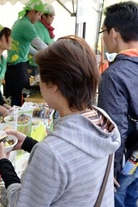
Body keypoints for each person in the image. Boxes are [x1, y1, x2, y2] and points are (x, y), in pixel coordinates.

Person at [0, 35, 121, 206]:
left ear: (53, 85)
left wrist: (3, 163)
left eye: (40, 78)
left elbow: (22, 203)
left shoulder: (50, 152)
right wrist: (29, 143)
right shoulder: (103, 121)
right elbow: (72, 160)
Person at [97, 1, 138, 206]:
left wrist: (108, 170)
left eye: (102, 31)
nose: (103, 37)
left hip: (124, 162)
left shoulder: (114, 75)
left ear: (114, 33)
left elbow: (114, 129)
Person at [4, 0, 48, 107]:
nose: (39, 18)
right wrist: (55, 53)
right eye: (39, 15)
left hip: (12, 68)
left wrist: (38, 55)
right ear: (32, 12)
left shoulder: (18, 22)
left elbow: (25, 47)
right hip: (18, 70)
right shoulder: (27, 25)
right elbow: (39, 44)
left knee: (13, 101)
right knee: (20, 102)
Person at [28, 3, 56, 76]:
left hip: (42, 62)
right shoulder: (38, 27)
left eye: (53, 16)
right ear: (43, 16)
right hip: (35, 63)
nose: (53, 18)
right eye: (51, 16)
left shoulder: (46, 27)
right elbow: (39, 46)